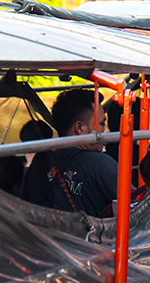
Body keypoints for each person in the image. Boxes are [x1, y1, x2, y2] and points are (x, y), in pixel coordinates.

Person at [20, 89, 119, 217]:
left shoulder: (39, 164)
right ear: (80, 128)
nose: (107, 130)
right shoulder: (102, 164)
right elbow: (137, 210)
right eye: (102, 124)